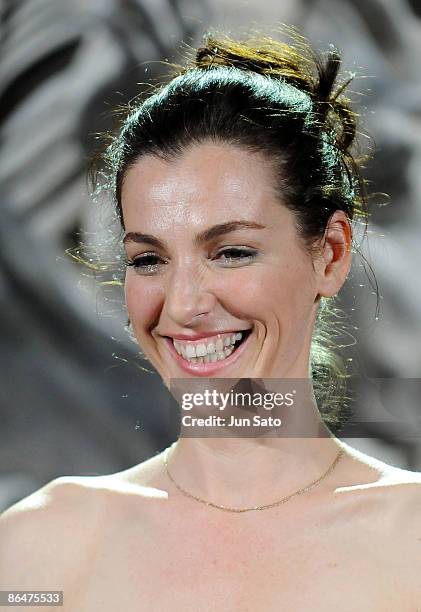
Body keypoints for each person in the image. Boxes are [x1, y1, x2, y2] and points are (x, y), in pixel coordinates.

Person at [1, 28, 420, 611]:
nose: (181, 306)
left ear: (330, 254)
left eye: (231, 252)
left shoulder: (410, 542)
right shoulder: (41, 548)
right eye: (149, 260)